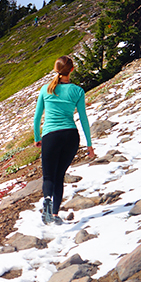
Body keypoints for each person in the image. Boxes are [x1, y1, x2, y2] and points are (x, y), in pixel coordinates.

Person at [33, 55, 95, 225]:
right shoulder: (77, 91)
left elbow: (37, 117)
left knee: (48, 177)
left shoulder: (46, 89)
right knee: (60, 175)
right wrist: (89, 145)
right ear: (72, 70)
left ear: (56, 70)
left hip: (51, 136)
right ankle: (54, 215)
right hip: (70, 136)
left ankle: (47, 199)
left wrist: (38, 137)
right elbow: (83, 118)